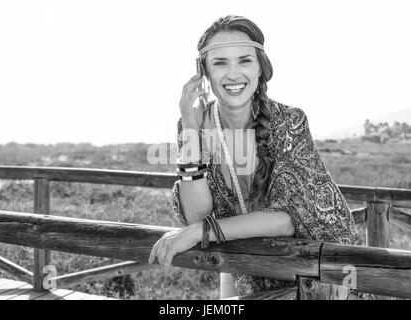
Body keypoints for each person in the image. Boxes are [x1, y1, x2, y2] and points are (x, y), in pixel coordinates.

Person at [148, 15, 359, 299]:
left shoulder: (289, 122)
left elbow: (286, 220)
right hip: (252, 275)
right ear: (204, 74)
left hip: (322, 275)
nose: (233, 74)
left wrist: (202, 232)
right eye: (220, 62)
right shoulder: (195, 125)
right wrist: (189, 126)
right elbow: (198, 216)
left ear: (261, 67)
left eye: (244, 60)